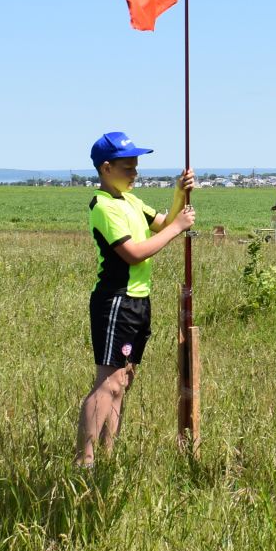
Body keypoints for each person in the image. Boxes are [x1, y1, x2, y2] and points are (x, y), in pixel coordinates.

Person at [76, 131, 194, 467]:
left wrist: (178, 194)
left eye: (137, 165)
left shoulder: (132, 201)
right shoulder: (104, 207)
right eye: (128, 166)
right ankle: (83, 460)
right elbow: (134, 254)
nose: (135, 172)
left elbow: (165, 223)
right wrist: (177, 229)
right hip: (116, 301)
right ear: (106, 167)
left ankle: (107, 455)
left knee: (124, 380)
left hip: (138, 302)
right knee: (108, 382)